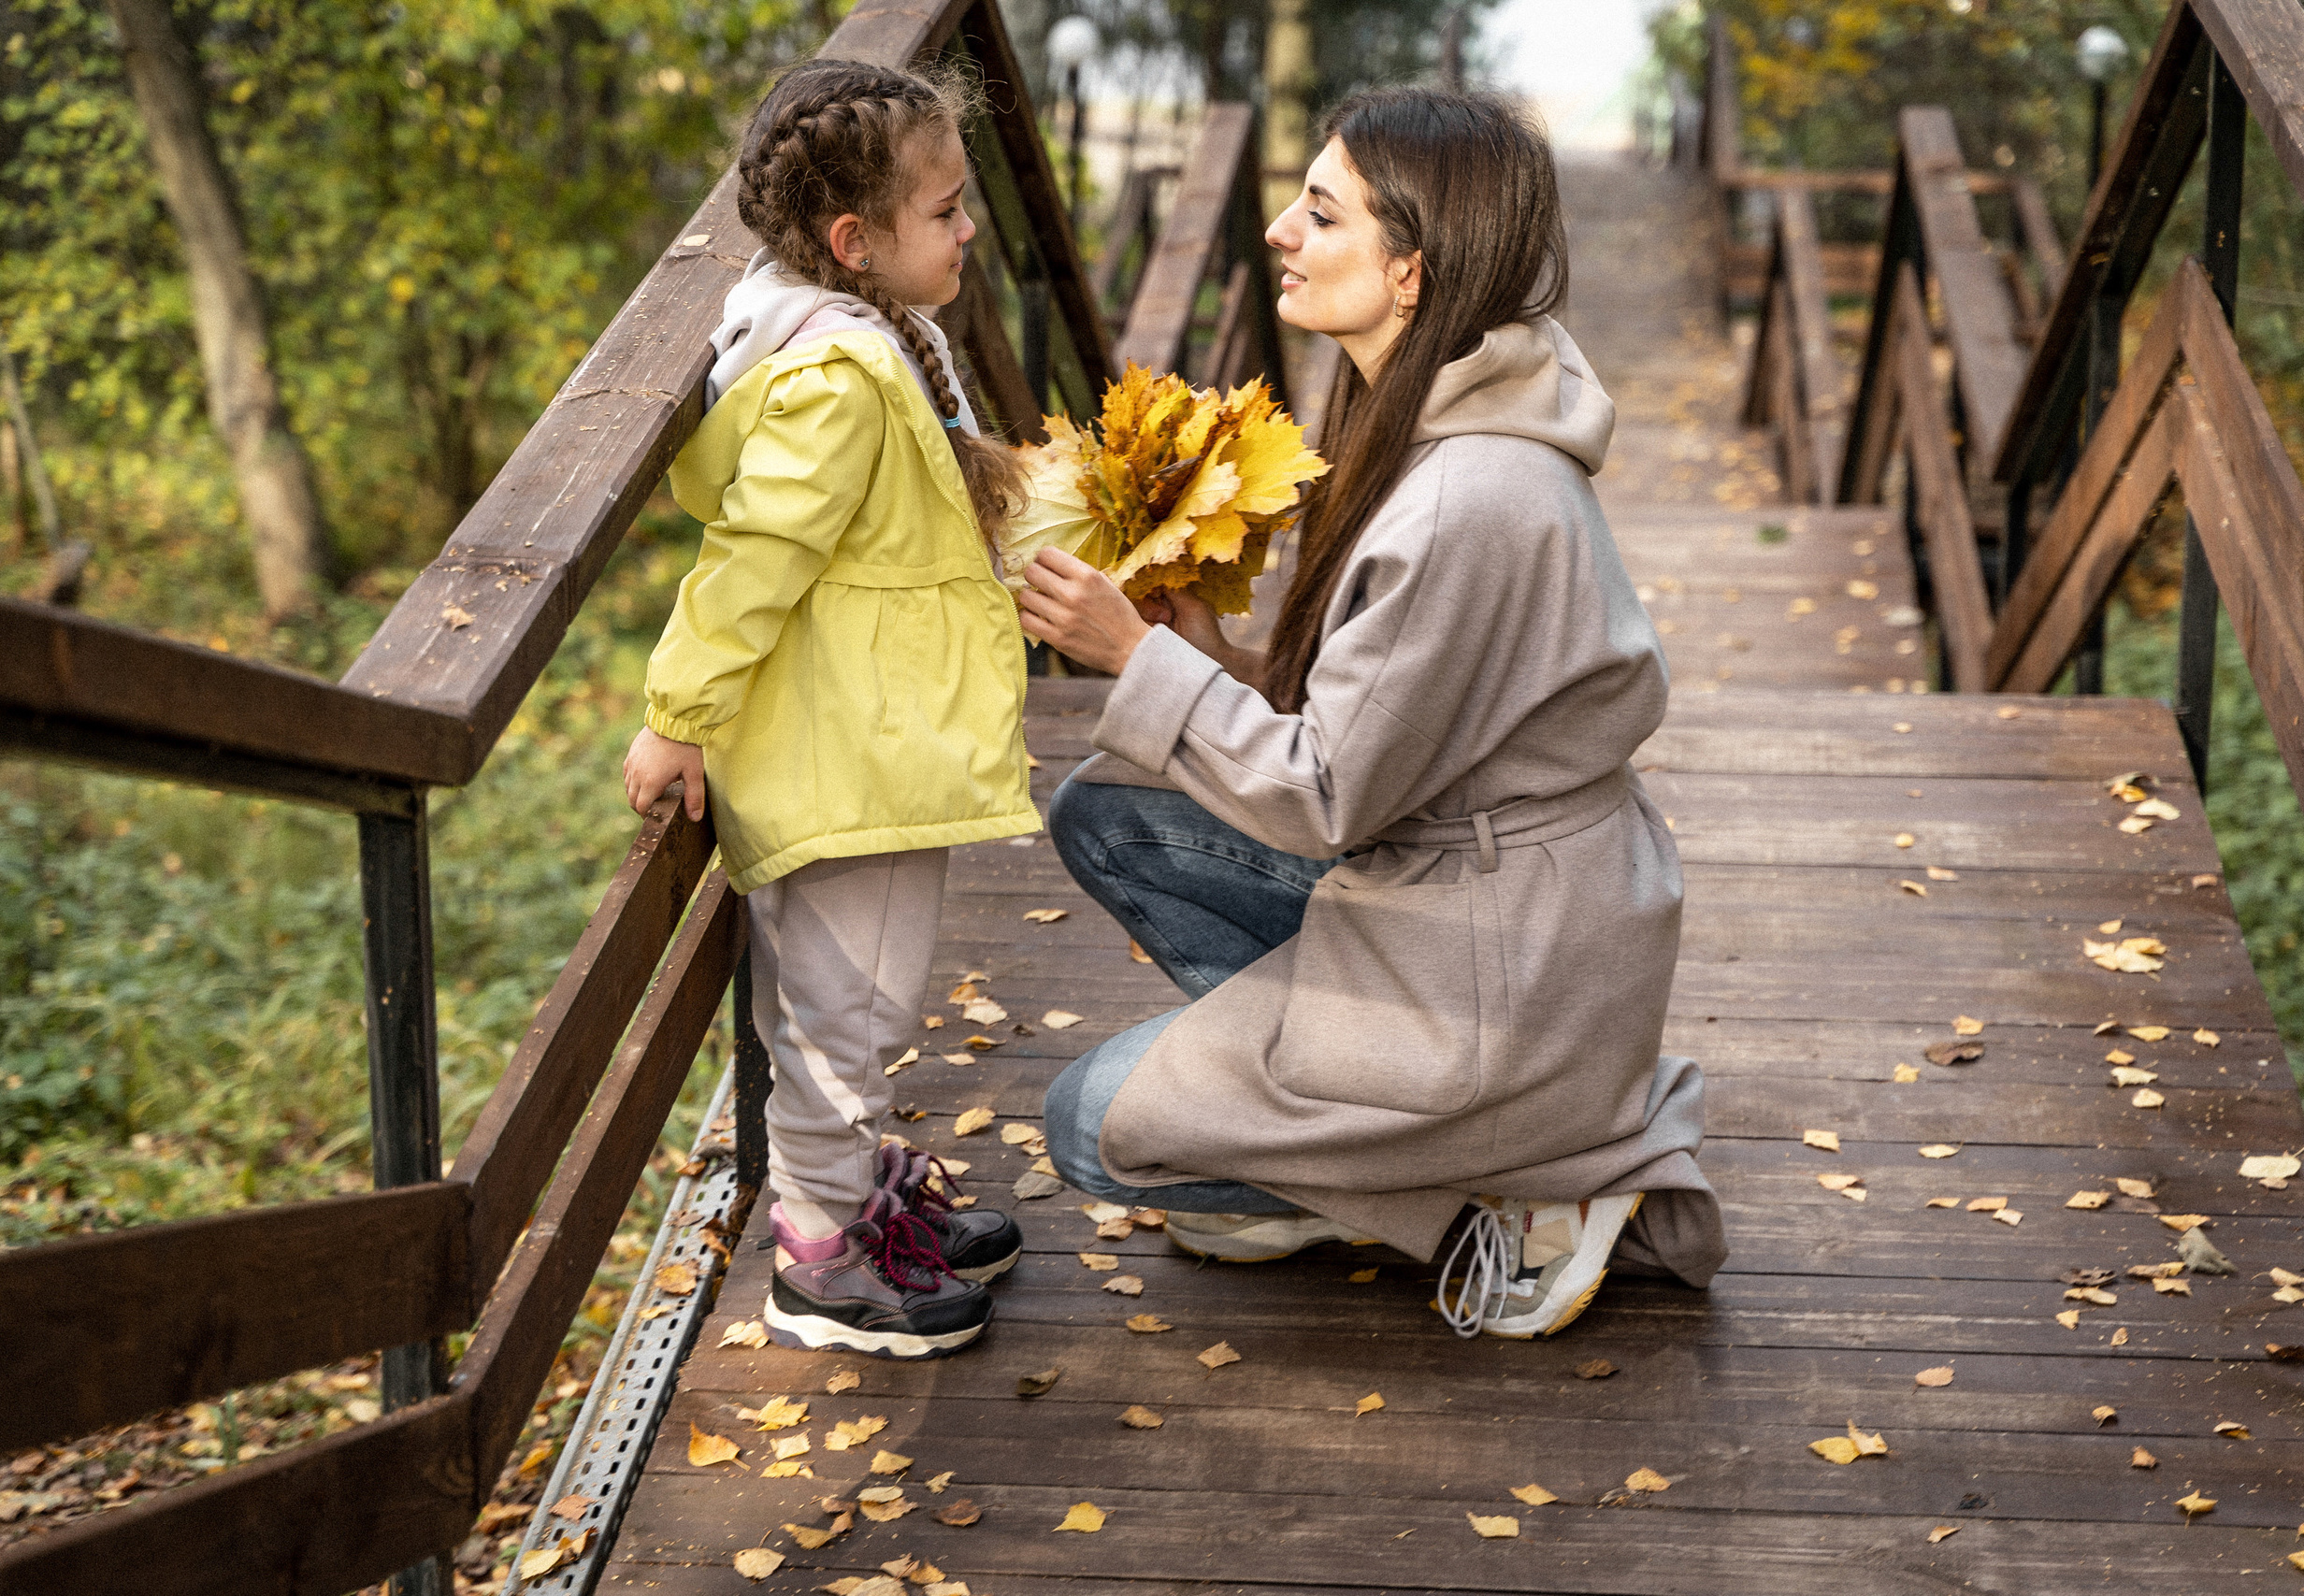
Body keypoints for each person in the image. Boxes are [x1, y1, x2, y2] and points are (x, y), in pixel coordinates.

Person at [1015, 88, 1726, 1339]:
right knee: (1113, 810)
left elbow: (1326, 795)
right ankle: (1369, 1138)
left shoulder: (1468, 496)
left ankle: (1512, 1184)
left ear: (1411, 272)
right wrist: (1218, 662)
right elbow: (1392, 722)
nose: (1282, 232)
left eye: (1322, 211)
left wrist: (1132, 653)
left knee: (1086, 1125)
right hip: (1478, 897)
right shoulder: (1434, 422)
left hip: (1505, 971)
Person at [621, 59, 1035, 1359]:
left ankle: (848, 1194)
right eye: (946, 211)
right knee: (845, 1014)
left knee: (846, 1002)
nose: (970, 230)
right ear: (855, 242)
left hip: (858, 731)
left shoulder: (846, 334)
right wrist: (676, 715)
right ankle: (818, 1258)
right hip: (848, 755)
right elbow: (751, 559)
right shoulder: (840, 379)